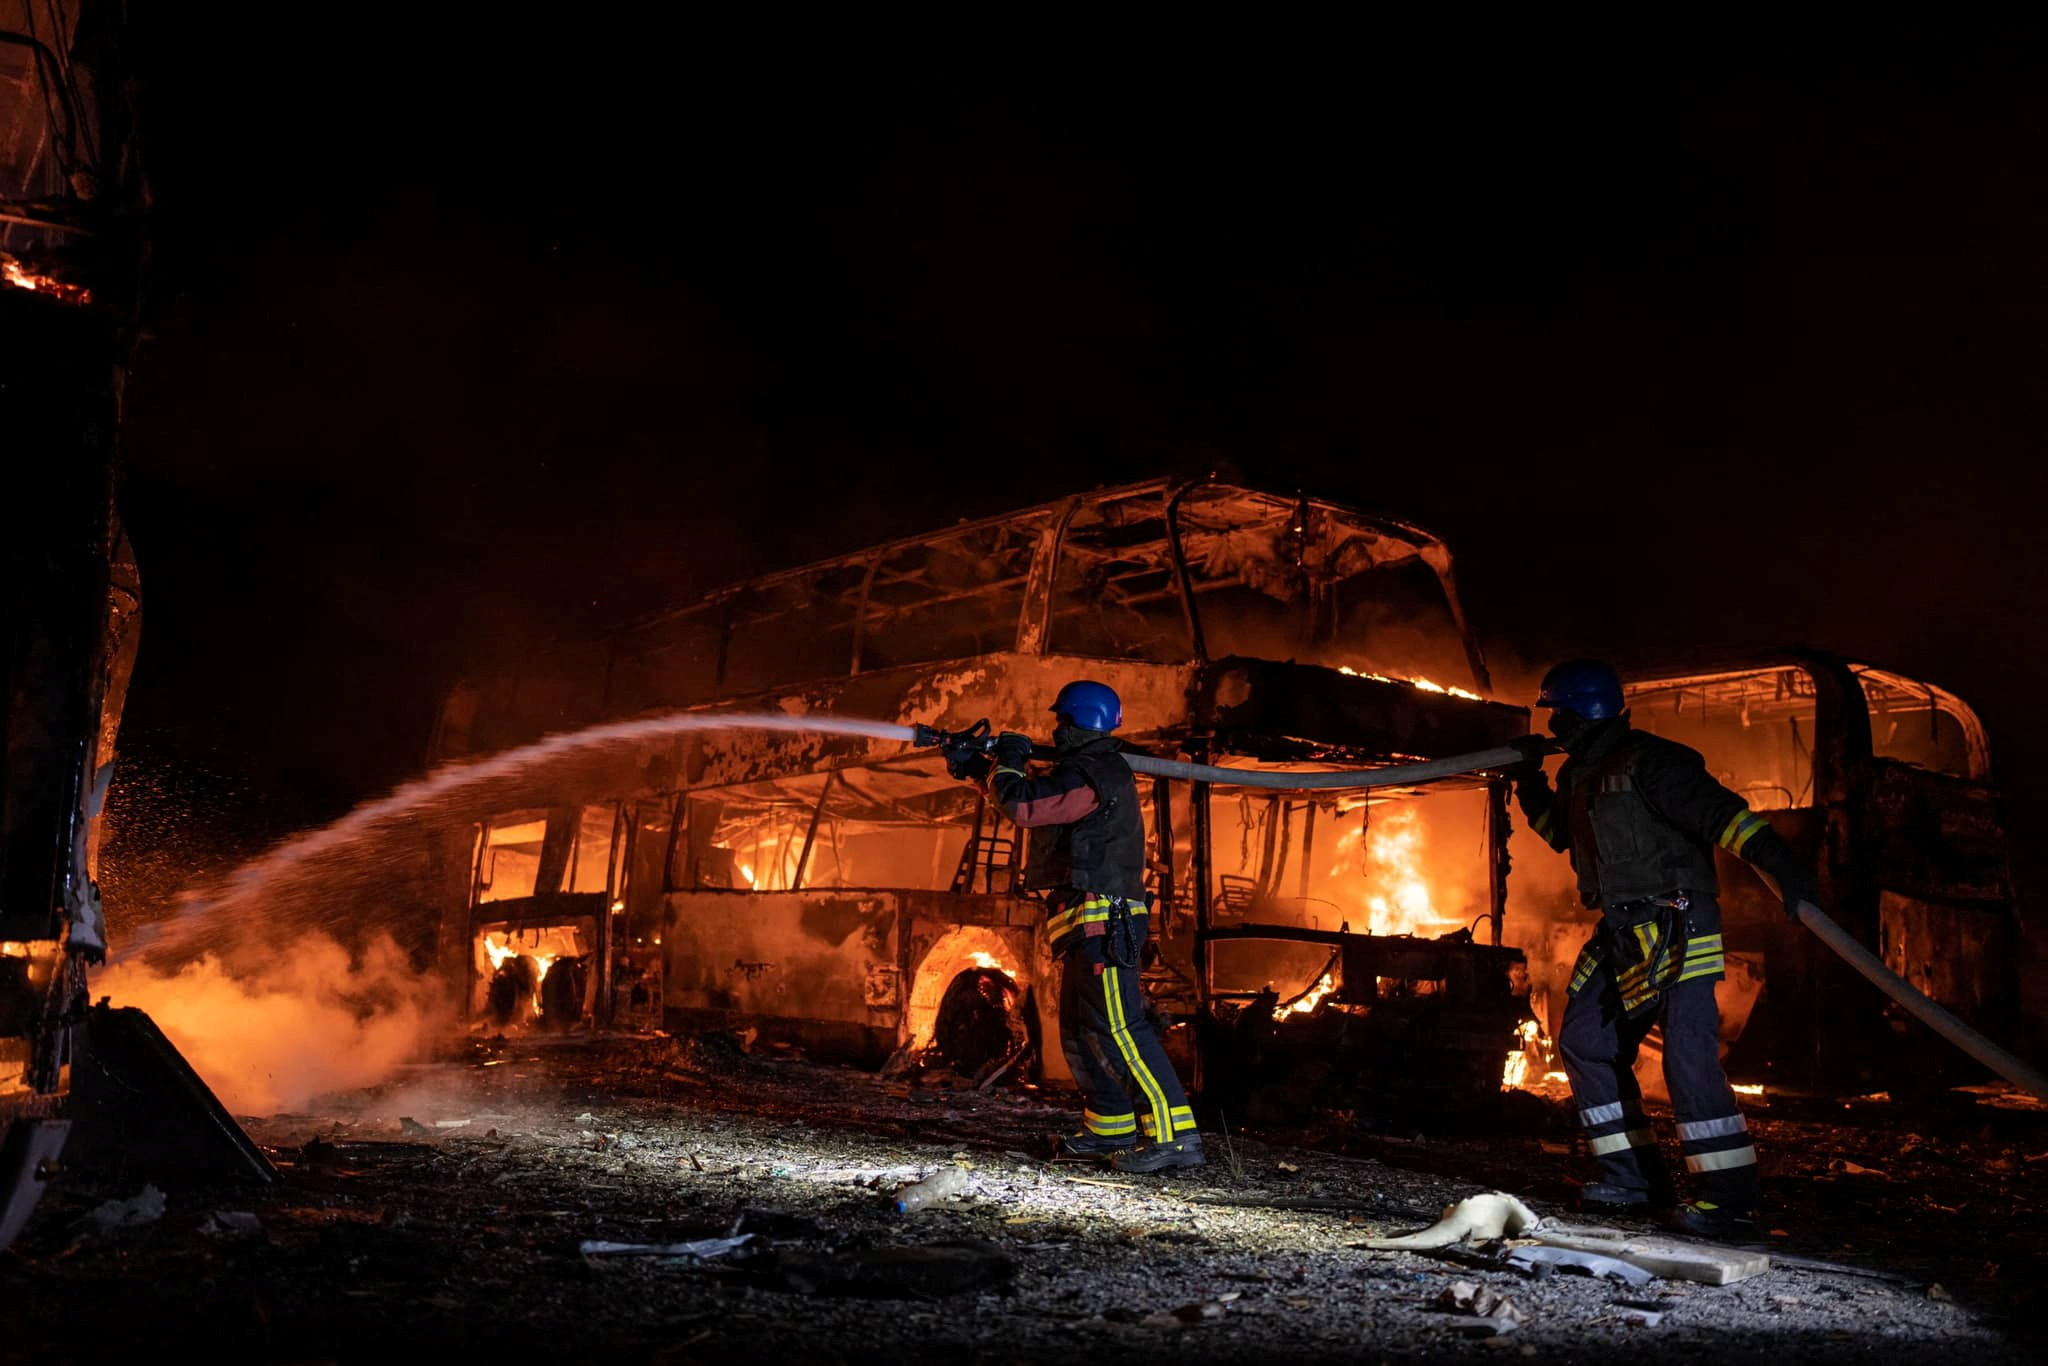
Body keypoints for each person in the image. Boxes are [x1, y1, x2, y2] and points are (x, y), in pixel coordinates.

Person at [1510, 659, 1820, 1239]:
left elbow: (1728, 820)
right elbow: (1562, 837)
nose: (1552, 729)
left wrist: (1787, 872)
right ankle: (1632, 1180)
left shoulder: (1655, 762)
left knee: (1687, 1055)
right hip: (1624, 930)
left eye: (1557, 716)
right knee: (1585, 1041)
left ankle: (1728, 1201)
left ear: (1580, 712)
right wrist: (1529, 783)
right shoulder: (1578, 774)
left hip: (1680, 921)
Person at [944, 679, 1203, 1173]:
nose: (1056, 729)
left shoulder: (1097, 770)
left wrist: (1014, 757)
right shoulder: (1079, 772)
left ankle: (1176, 1139)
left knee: (1121, 1029)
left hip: (1107, 921)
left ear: (1079, 721)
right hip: (1084, 922)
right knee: (1083, 1032)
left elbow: (1023, 805)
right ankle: (1110, 1130)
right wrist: (980, 769)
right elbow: (1033, 800)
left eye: (1062, 720)